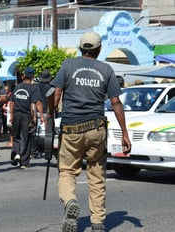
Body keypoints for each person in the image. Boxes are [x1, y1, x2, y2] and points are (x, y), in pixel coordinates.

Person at [51, 31, 132, 232]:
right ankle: (97, 222)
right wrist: (124, 133)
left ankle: (70, 201)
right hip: (96, 128)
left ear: (80, 48)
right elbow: (116, 102)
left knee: (68, 171)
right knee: (96, 175)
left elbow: (56, 92)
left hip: (71, 128)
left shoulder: (68, 65)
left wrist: (50, 113)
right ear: (99, 49)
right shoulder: (106, 69)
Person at [9, 67, 44, 169]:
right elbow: (37, 103)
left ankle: (16, 153)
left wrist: (11, 115)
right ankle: (24, 162)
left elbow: (12, 102)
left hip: (16, 114)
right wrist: (40, 116)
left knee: (16, 136)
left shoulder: (17, 87)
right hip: (26, 115)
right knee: (26, 137)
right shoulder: (34, 88)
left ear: (23, 75)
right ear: (33, 77)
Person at [31, 69, 52, 157]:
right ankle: (46, 150)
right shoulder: (50, 87)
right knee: (47, 132)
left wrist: (33, 113)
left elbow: (33, 101)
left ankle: (34, 151)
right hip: (46, 112)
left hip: (36, 110)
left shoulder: (35, 87)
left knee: (35, 132)